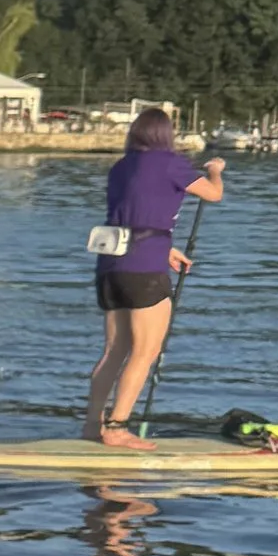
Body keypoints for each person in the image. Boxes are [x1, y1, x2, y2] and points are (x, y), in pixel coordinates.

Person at [82, 105, 225, 444]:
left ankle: (92, 427)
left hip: (109, 266)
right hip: (143, 269)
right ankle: (117, 429)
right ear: (166, 135)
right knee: (146, 351)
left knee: (114, 350)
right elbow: (213, 194)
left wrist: (167, 249)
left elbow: (131, 217)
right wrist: (216, 170)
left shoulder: (119, 167)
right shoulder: (172, 164)